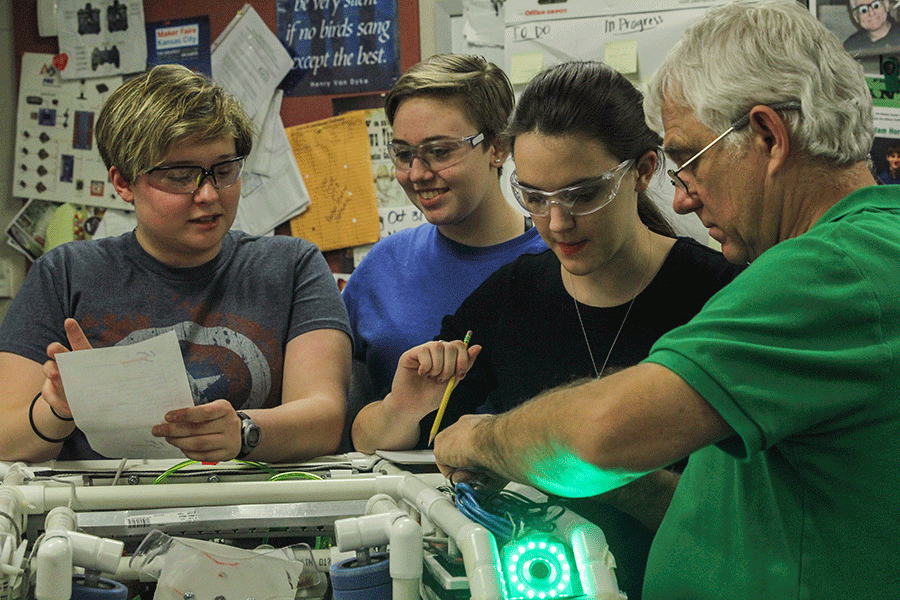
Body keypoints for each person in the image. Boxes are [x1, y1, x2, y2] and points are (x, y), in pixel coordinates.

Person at [432, 1, 900, 599]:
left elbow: (602, 434)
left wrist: (484, 439)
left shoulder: (828, 272)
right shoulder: (868, 248)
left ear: (767, 136)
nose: (681, 202)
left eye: (688, 162)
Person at [352, 61, 742, 599]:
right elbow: (372, 441)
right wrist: (403, 408)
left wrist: (596, 471)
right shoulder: (508, 299)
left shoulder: (722, 299)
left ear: (645, 169)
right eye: (533, 197)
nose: (557, 223)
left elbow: (742, 524)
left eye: (582, 195)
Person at [0, 65, 352, 464]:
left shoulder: (291, 265)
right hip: (103, 517)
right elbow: (6, 440)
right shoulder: (63, 275)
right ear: (123, 183)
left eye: (223, 170)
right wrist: (60, 409)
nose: (207, 193)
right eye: (180, 176)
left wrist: (243, 432)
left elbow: (325, 417)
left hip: (256, 511)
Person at [341, 54, 546, 409]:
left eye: (439, 151)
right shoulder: (382, 268)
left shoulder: (556, 259)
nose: (417, 173)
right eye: (404, 155)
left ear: (496, 147)